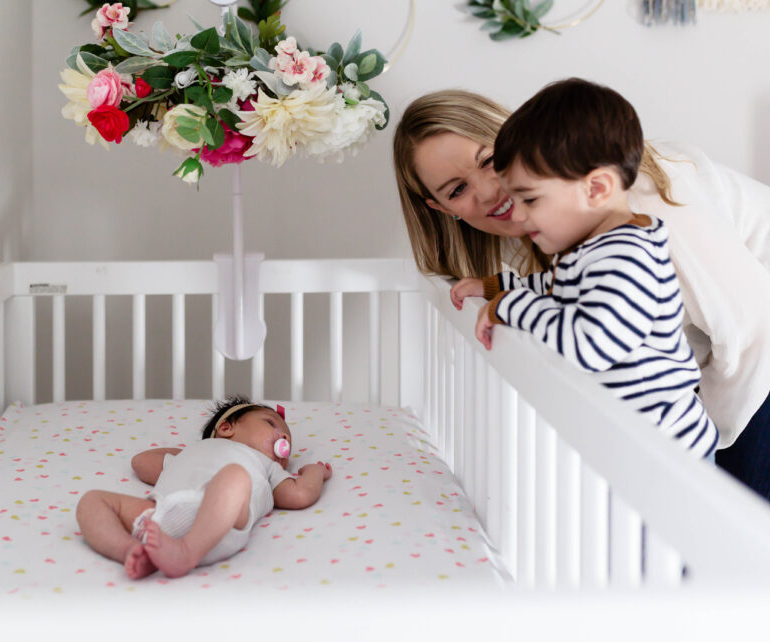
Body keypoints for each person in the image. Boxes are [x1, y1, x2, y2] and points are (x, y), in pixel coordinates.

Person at [392, 88, 770, 494]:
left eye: (489, 160)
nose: (488, 192)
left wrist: (704, 448)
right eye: (456, 190)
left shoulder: (631, 207)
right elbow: (564, 290)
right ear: (442, 209)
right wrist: (497, 288)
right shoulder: (543, 225)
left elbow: (754, 332)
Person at [450, 78, 717, 458]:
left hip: (666, 450)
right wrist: (494, 287)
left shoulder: (628, 258)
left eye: (529, 199)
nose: (519, 215)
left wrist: (509, 306)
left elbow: (591, 343)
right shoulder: (594, 250)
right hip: (632, 445)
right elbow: (557, 287)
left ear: (596, 189)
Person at [75, 397, 333, 579]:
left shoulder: (267, 466)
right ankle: (131, 551)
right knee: (92, 500)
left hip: (221, 522)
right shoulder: (189, 453)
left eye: (289, 438)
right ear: (226, 427)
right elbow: (141, 463)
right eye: (271, 423)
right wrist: (190, 452)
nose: (285, 438)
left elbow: (299, 493)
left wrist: (315, 472)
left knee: (235, 476)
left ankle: (187, 552)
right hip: (161, 513)